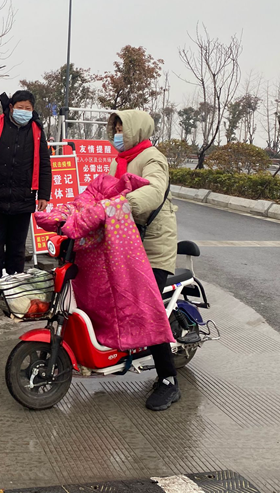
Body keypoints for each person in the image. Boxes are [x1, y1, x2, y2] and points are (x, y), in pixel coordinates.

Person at [108, 109, 180, 411]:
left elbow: (153, 190)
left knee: (148, 310)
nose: (118, 134)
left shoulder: (152, 158)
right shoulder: (119, 160)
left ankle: (168, 380)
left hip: (153, 246)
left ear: (136, 130)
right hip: (127, 241)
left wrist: (124, 203)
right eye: (115, 129)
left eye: (122, 129)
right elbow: (105, 190)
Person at [0, 90, 52, 309]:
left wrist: (44, 194)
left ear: (32, 110)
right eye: (20, 107)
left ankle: (14, 291)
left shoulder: (36, 131)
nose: (24, 111)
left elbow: (44, 163)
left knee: (17, 249)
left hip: (23, 199)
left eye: (28, 108)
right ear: (11, 107)